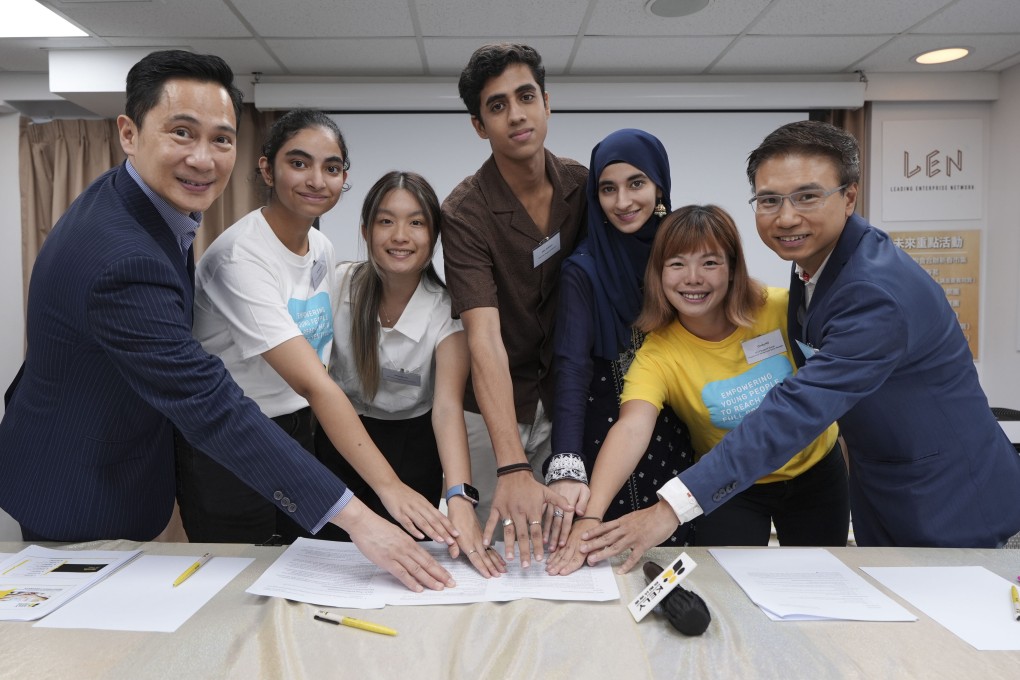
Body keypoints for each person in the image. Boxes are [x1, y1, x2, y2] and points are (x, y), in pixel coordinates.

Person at [0, 51, 453, 594]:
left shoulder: (146, 209)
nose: (203, 158)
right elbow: (213, 404)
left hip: (160, 438)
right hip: (85, 478)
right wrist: (361, 516)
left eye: (220, 138)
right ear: (128, 132)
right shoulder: (134, 258)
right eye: (181, 133)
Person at [580, 121, 1020, 572]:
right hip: (882, 486)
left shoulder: (874, 291)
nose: (786, 217)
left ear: (849, 197)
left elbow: (795, 410)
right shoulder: (812, 263)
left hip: (949, 496)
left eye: (807, 196)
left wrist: (669, 508)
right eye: (769, 200)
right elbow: (634, 425)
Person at [181, 110, 457, 552]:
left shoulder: (322, 248)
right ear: (267, 169)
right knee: (238, 573)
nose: (316, 180)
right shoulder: (241, 258)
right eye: (299, 163)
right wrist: (389, 486)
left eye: (331, 168)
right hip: (232, 436)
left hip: (297, 432)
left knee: (303, 565)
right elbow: (316, 381)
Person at [548, 204, 850, 574]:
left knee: (823, 583)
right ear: (658, 272)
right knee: (728, 589)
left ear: (733, 267)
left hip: (816, 473)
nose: (692, 278)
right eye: (676, 264)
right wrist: (590, 519)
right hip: (730, 487)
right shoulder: (660, 351)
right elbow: (631, 428)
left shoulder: (780, 309)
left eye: (710, 263)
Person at [315, 170, 505, 577]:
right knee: (332, 564)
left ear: (434, 236)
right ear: (365, 231)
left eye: (416, 222)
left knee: (406, 568)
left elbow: (447, 408)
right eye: (386, 221)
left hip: (414, 445)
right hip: (340, 436)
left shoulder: (447, 309)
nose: (400, 235)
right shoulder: (336, 285)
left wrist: (459, 498)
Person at [442, 43, 584, 566]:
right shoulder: (463, 212)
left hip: (568, 401)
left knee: (563, 551)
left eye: (526, 97)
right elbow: (483, 337)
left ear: (546, 102)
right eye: (496, 106)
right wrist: (511, 466)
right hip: (496, 410)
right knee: (496, 552)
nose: (516, 114)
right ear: (480, 126)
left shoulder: (584, 186)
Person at [546, 129, 696, 550]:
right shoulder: (583, 269)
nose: (623, 202)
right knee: (604, 550)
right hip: (606, 430)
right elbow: (571, 368)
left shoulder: (683, 251)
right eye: (608, 189)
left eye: (636, 183)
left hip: (676, 428)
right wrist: (567, 462)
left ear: (659, 186)